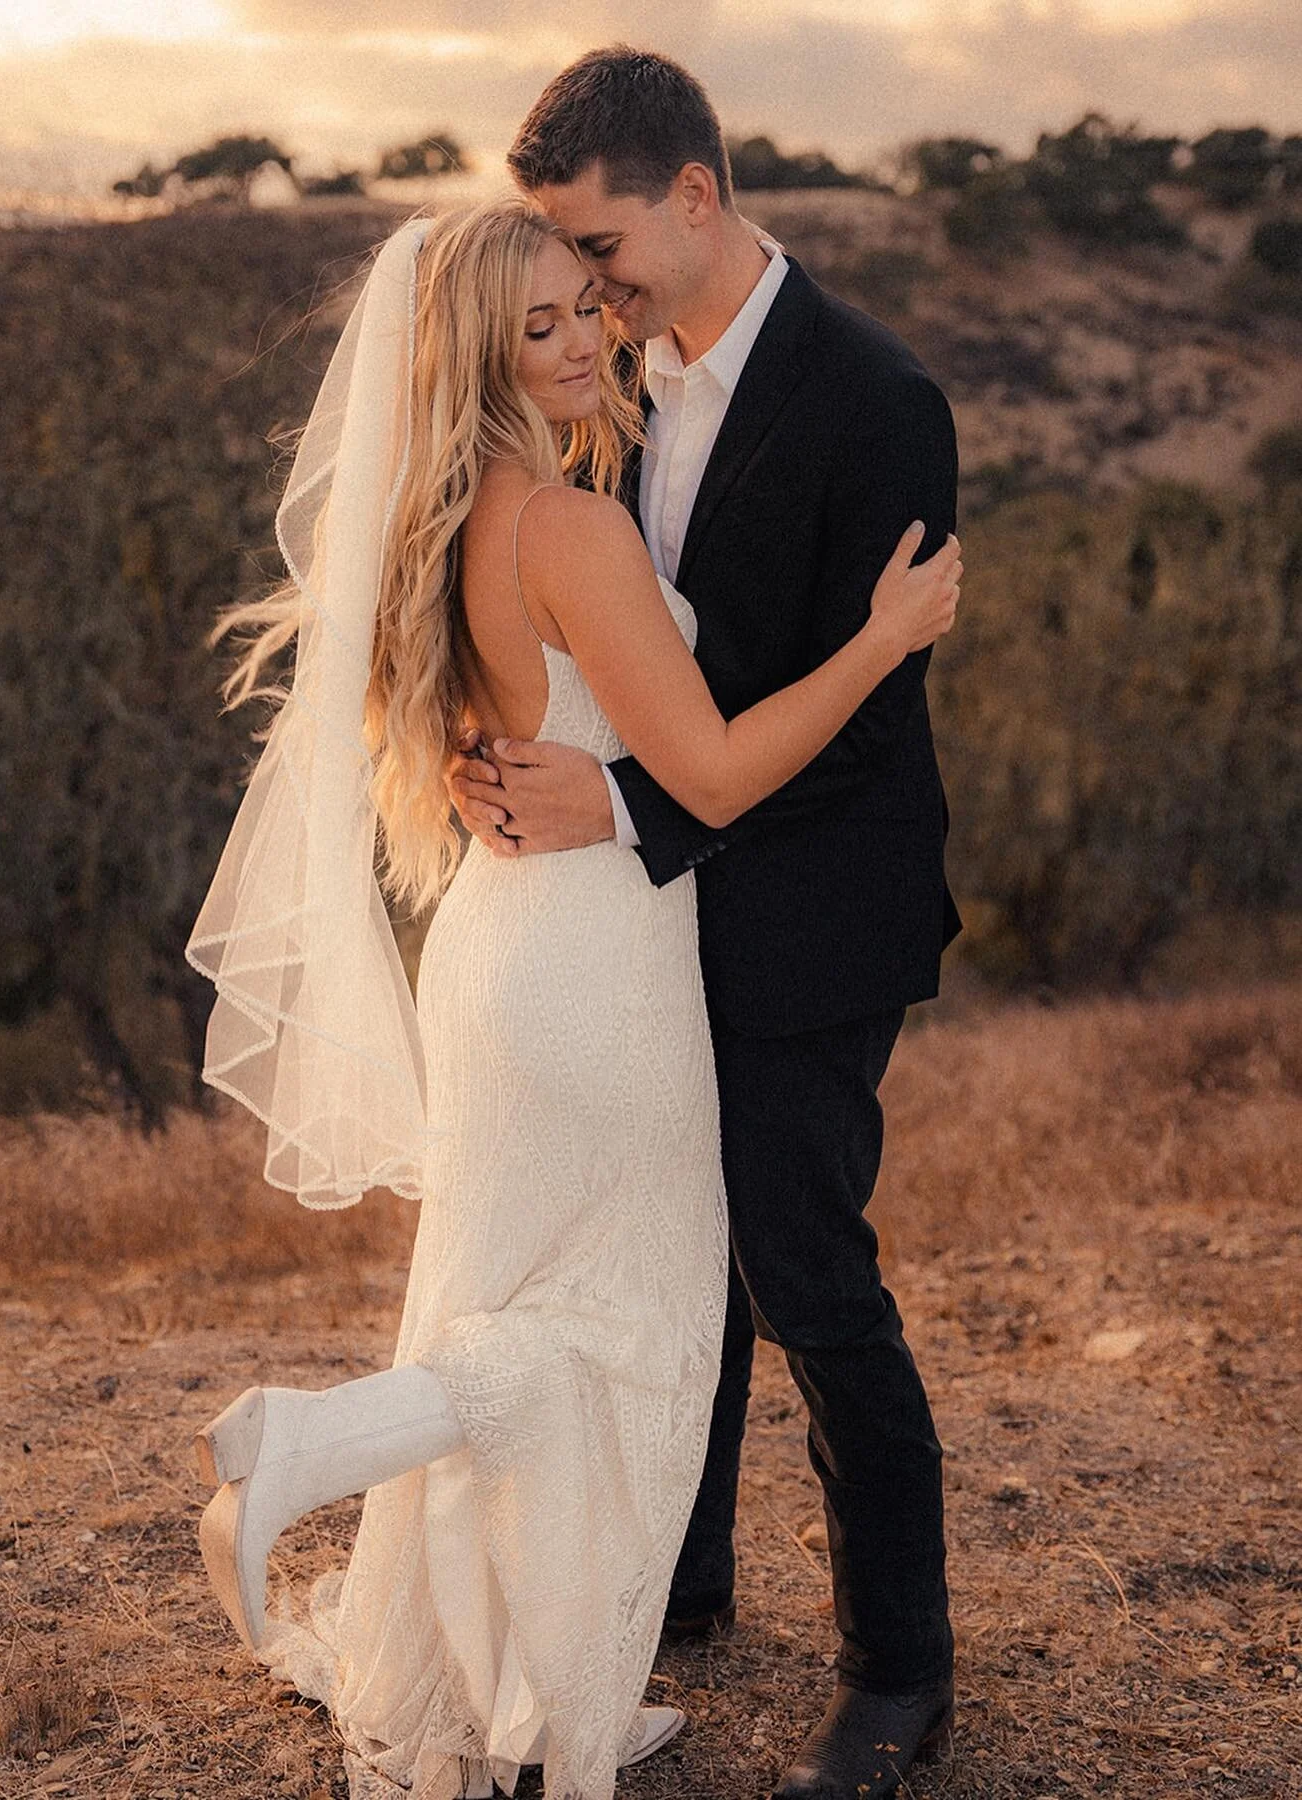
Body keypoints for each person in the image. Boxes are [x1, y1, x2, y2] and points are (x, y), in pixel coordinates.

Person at [186, 201, 958, 1800]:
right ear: (476, 361)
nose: (584, 338)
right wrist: (884, 641)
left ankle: (530, 1691)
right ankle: (307, 1446)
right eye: (537, 326)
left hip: (501, 950)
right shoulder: (570, 528)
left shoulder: (451, 515)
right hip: (601, 969)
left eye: (579, 309)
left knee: (510, 1295)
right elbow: (723, 767)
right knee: (618, 1332)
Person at [449, 48, 963, 1800]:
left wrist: (626, 802)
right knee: (679, 1258)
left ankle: (900, 1671)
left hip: (816, 910)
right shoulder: (626, 380)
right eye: (557, 263)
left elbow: (865, 720)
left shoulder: (878, 399)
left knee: (807, 1274)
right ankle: (684, 1583)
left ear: (693, 193)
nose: (581, 290)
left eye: (599, 245)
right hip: (650, 922)